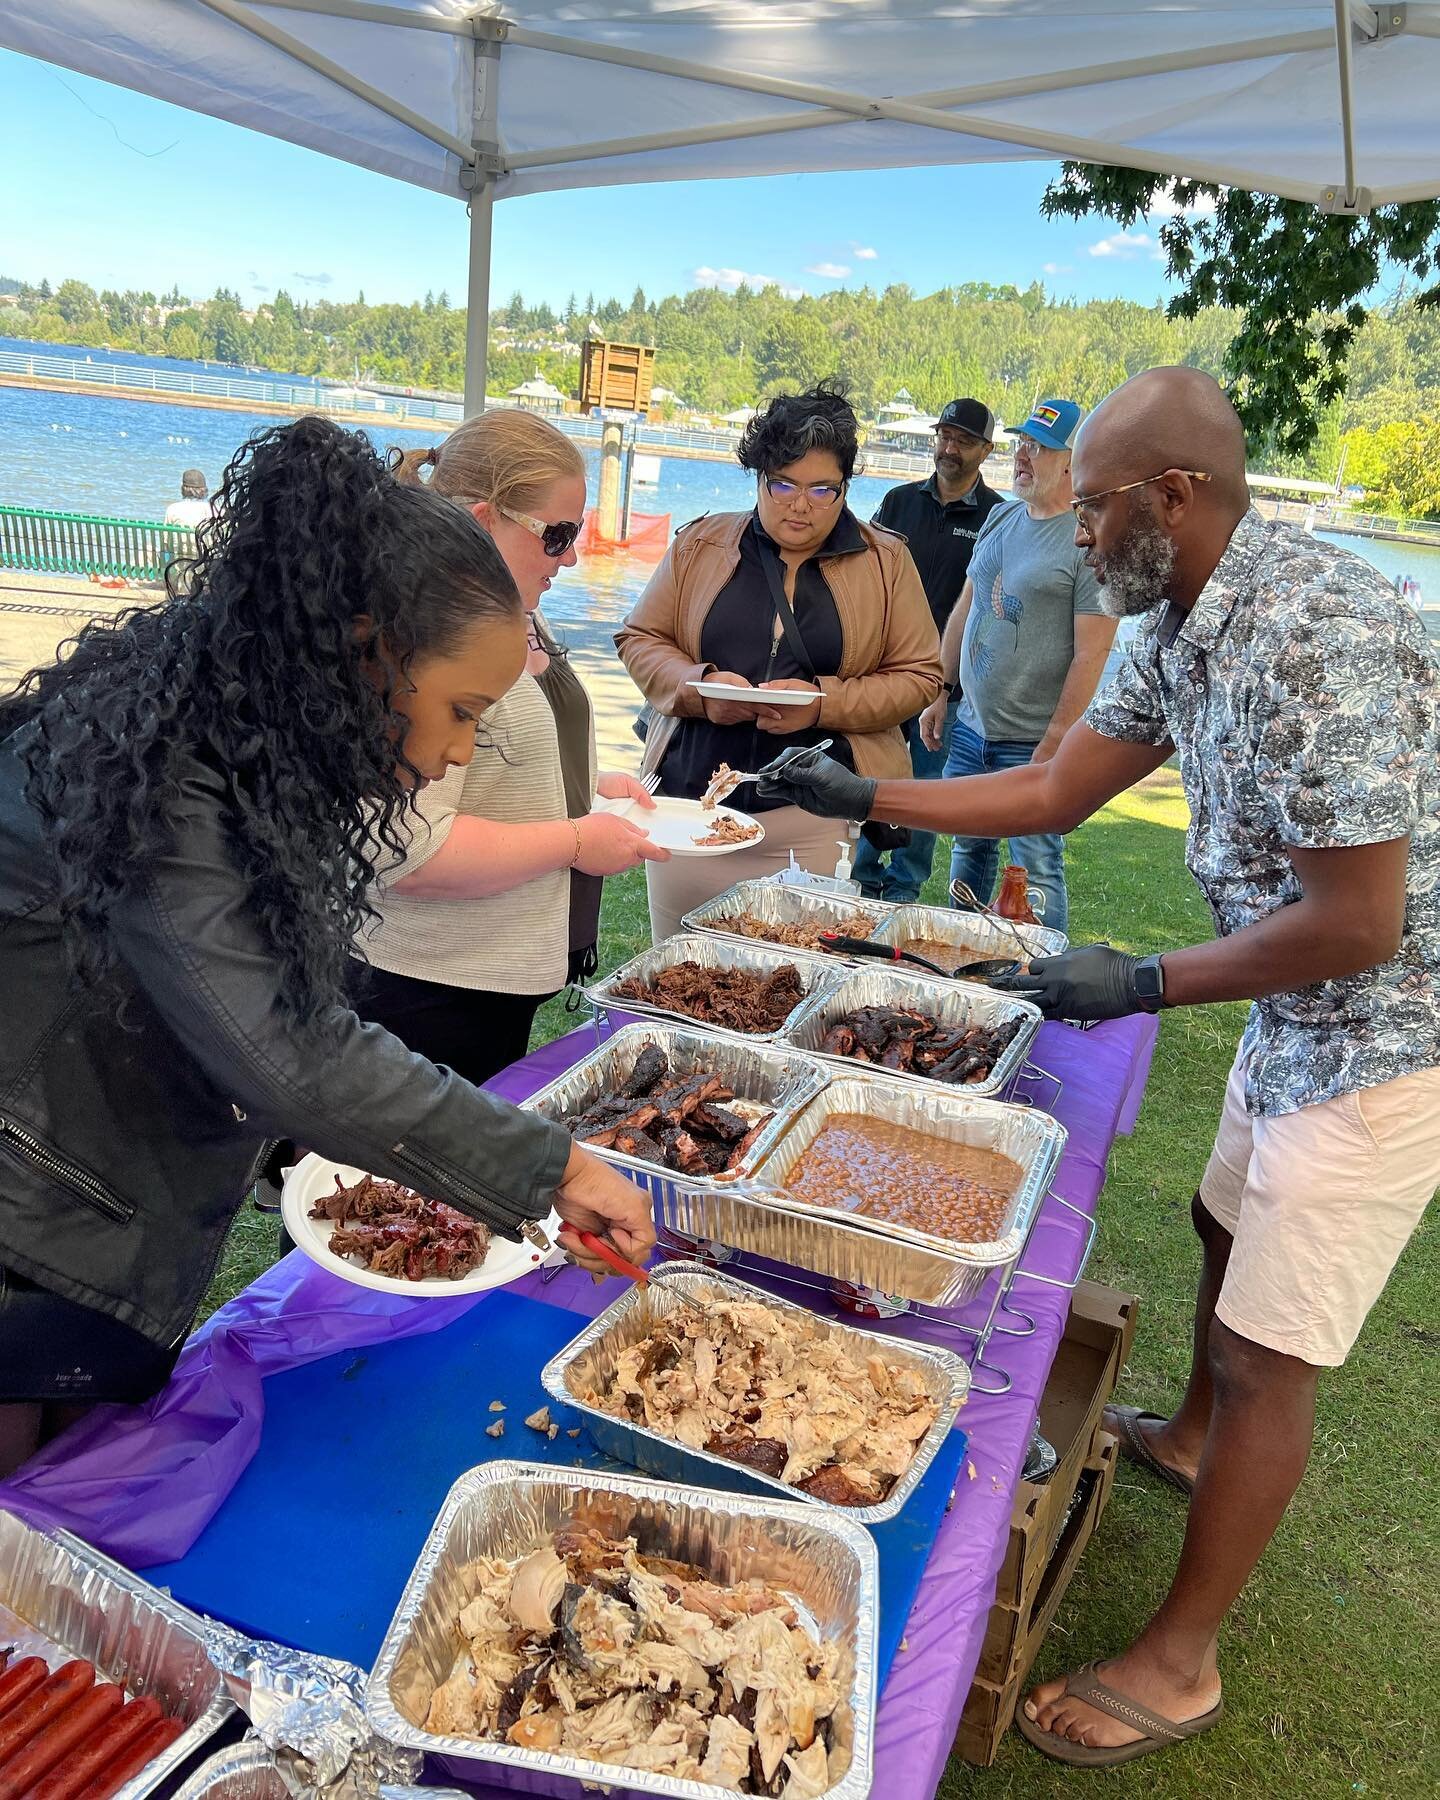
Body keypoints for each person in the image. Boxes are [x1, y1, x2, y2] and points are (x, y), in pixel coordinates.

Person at [750, 367, 1440, 1769]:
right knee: (1217, 1217)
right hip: (1298, 1000)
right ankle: (1187, 1436)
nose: (1072, 533)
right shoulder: (1173, 612)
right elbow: (1059, 787)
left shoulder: (1321, 633)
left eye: (1101, 504)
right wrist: (861, 786)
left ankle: (1181, 1664)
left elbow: (1361, 921)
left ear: (1174, 498)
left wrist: (1140, 982)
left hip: (1393, 1026)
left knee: (1272, 1351)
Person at [0, 417, 654, 1480]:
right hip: (29, 1235)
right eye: (458, 712)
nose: (452, 751)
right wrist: (554, 1164)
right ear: (362, 651)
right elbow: (288, 1051)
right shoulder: (167, 780)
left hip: (95, 1210)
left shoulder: (233, 740)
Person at [361, 414, 668, 1085]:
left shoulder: (512, 606)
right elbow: (407, 850)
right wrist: (576, 841)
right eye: (556, 536)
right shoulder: (424, 636)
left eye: (574, 534)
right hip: (426, 986)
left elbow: (502, 755)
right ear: (481, 520)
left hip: (489, 979)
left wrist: (583, 785)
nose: (573, 558)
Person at [616, 381, 942, 942]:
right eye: (784, 484)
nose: (800, 504)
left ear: (845, 487)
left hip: (811, 818)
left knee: (793, 982)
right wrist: (701, 689)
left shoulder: (886, 561)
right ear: (759, 477)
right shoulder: (701, 544)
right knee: (676, 980)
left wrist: (821, 705)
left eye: (822, 490)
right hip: (693, 813)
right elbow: (640, 637)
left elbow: (920, 676)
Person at [917, 399, 1115, 933]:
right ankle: (965, 963)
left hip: (1030, 742)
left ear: (1074, 461)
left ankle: (1041, 984)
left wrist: (1053, 742)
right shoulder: (1002, 516)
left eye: (1039, 447)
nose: (1022, 454)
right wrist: (941, 689)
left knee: (1035, 870)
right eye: (1022, 442)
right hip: (971, 730)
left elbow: (1092, 652)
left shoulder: (1086, 538)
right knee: (967, 856)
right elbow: (968, 604)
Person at [853, 397, 1006, 903]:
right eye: (944, 436)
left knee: (924, 786)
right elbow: (863, 575)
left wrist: (949, 686)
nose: (949, 448)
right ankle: (861, 877)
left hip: (944, 685)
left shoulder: (996, 517)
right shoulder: (897, 503)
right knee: (873, 773)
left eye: (963, 441)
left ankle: (903, 889)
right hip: (883, 670)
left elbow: (989, 609)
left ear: (985, 450)